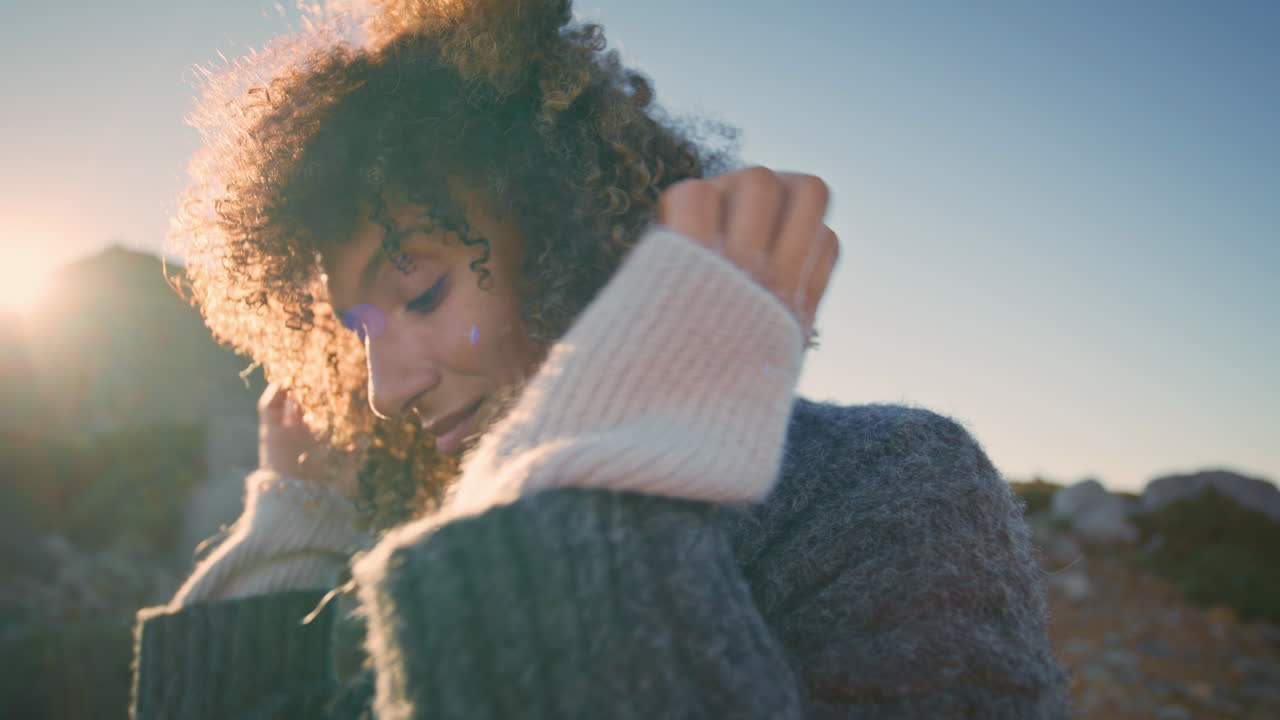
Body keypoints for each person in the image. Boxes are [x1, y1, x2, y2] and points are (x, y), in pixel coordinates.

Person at [130, 0, 1071, 717]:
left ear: (576, 232)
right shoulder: (404, 523)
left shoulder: (885, 479)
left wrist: (596, 488)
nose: (383, 391)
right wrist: (290, 538)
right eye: (359, 332)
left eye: (421, 294)